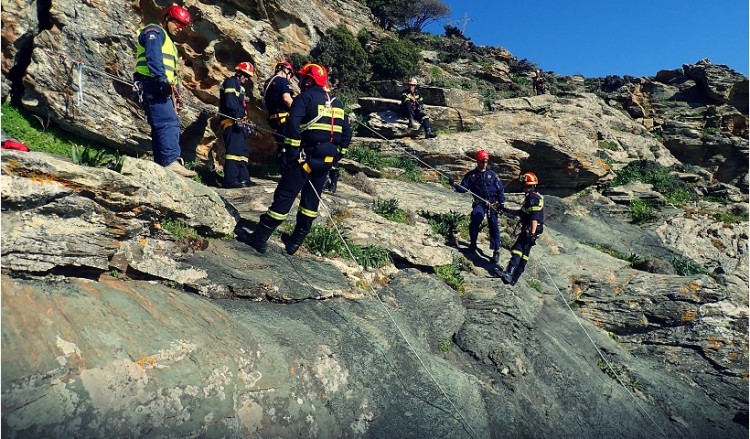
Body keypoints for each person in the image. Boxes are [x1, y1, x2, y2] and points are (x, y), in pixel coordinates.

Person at [239, 63, 352, 255]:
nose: (299, 82)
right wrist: (337, 156)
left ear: (309, 80)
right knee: (310, 202)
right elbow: (347, 134)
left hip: (305, 158)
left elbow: (292, 124)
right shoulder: (338, 104)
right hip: (325, 162)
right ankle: (295, 242)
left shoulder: (305, 98)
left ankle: (259, 238)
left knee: (285, 195)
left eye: (302, 79)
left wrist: (292, 154)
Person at [133, 4, 196, 177]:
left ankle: (162, 164)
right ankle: (170, 161)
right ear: (167, 18)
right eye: (177, 23)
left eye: (183, 26)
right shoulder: (154, 32)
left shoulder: (169, 42)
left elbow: (171, 72)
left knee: (159, 125)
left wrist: (177, 93)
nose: (180, 28)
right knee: (168, 122)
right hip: (153, 84)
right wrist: (161, 80)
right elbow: (153, 57)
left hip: (159, 86)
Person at [450, 150, 506, 263]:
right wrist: (454, 184)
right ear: (477, 161)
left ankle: (496, 250)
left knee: (494, 224)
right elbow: (463, 189)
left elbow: (500, 189)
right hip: (480, 203)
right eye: (482, 162)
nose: (484, 164)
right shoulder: (471, 176)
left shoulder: (492, 174)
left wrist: (501, 203)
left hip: (493, 203)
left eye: (485, 162)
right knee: (475, 217)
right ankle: (473, 244)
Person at [497, 172, 545, 286]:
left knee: (517, 250)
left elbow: (534, 217)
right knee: (524, 255)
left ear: (527, 184)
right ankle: (514, 279)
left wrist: (532, 234)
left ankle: (509, 273)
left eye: (523, 184)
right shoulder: (533, 196)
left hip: (530, 230)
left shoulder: (532, 198)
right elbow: (520, 213)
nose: (522, 186)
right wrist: (504, 210)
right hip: (532, 230)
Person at [219, 62, 256, 188]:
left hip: (239, 121)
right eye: (245, 75)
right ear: (239, 72)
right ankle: (230, 179)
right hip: (231, 121)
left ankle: (243, 178)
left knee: (243, 150)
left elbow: (240, 105)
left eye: (248, 77)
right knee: (233, 150)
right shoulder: (230, 82)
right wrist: (239, 116)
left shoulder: (241, 88)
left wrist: (245, 120)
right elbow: (230, 103)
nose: (246, 79)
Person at [263, 61, 296, 173]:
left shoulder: (268, 82)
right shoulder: (282, 81)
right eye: (290, 75)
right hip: (283, 118)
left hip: (274, 119)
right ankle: (288, 172)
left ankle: (283, 170)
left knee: (281, 146)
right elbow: (287, 99)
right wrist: (298, 110)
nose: (290, 79)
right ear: (286, 71)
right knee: (289, 145)